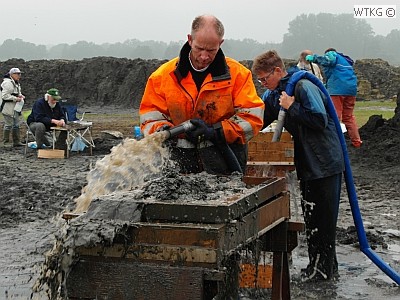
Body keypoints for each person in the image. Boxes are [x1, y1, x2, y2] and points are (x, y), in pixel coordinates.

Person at [252, 50, 345, 282]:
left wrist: (292, 106)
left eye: (265, 79)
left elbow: (319, 119)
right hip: (309, 164)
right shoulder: (275, 95)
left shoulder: (302, 86)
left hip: (325, 163)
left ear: (277, 70)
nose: (263, 83)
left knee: (322, 221)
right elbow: (259, 120)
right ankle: (321, 267)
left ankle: (323, 271)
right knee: (312, 218)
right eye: (260, 81)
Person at [139, 14, 264, 175]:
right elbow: (150, 118)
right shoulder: (162, 77)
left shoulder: (238, 75)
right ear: (190, 40)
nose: (204, 56)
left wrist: (215, 132)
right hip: (178, 165)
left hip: (225, 164)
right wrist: (165, 131)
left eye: (211, 50)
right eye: (199, 48)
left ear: (220, 43)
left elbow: (251, 119)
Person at [306, 48, 362, 148]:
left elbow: (328, 60)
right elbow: (335, 74)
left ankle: (333, 142)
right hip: (351, 90)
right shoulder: (345, 61)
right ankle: (356, 141)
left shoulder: (332, 55)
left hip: (337, 90)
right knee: (348, 117)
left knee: (334, 117)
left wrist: (314, 58)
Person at [1, 68, 26, 147]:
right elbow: (4, 96)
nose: (19, 76)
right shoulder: (7, 83)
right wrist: (16, 98)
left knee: (16, 124)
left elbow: (16, 92)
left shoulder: (16, 83)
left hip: (15, 107)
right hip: (7, 107)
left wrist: (20, 95)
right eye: (17, 74)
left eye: (20, 74)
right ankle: (5, 142)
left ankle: (16, 142)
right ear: (12, 74)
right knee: (8, 124)